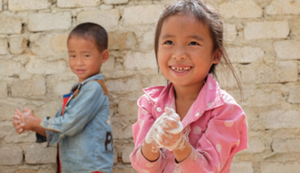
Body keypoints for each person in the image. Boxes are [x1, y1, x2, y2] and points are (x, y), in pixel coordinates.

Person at [129, 0, 248, 172]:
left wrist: (179, 144)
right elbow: (144, 167)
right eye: (169, 42)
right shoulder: (150, 104)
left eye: (193, 43)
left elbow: (208, 169)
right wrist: (151, 141)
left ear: (215, 55)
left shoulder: (225, 110)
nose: (178, 55)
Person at [12, 22, 114, 173]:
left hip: (91, 169)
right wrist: (32, 125)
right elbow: (58, 130)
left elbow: (69, 125)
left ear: (103, 56)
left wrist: (38, 121)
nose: (78, 62)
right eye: (72, 55)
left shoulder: (94, 88)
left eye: (86, 55)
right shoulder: (77, 92)